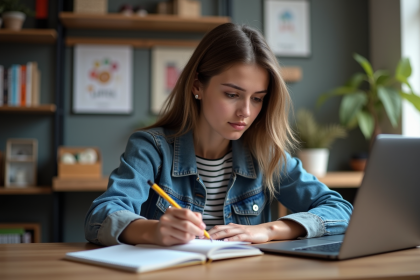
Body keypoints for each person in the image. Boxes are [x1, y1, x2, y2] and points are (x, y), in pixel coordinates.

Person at [84, 23, 353, 247]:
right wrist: (151, 231)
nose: (245, 112)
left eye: (258, 99)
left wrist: (270, 230)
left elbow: (341, 210)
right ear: (197, 86)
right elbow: (99, 217)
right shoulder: (151, 149)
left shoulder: (266, 154)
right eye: (232, 95)